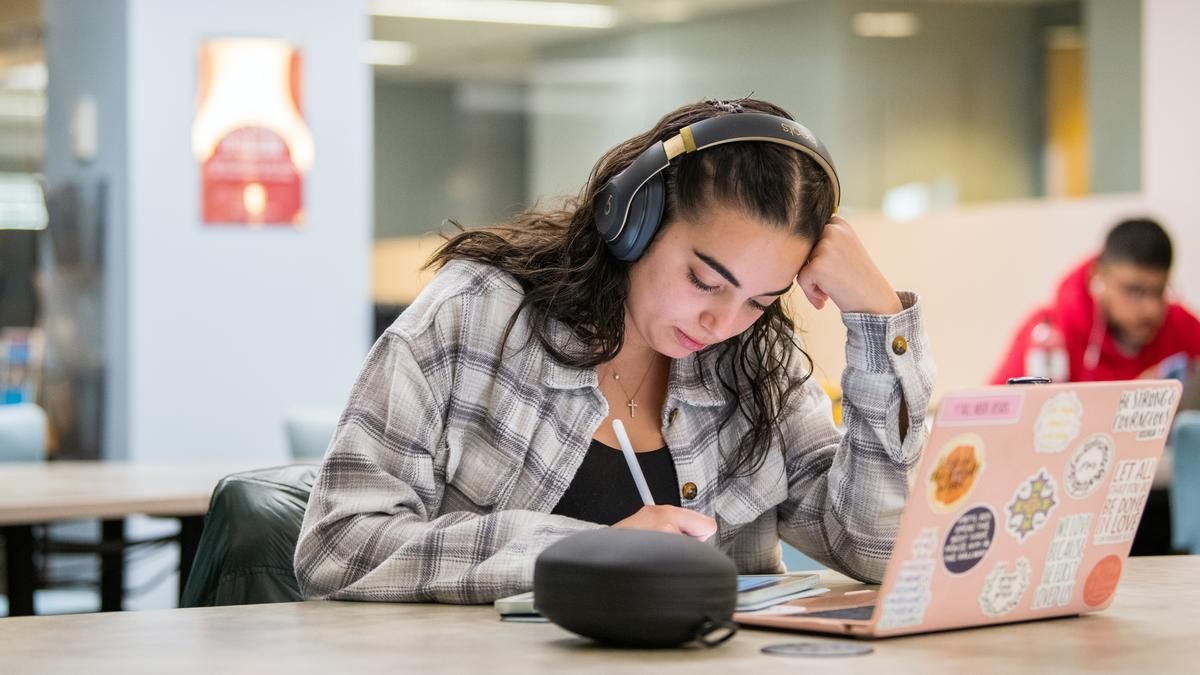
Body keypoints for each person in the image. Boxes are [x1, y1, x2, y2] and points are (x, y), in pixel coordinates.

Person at [294, 98, 934, 604]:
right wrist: (577, 552)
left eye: (759, 301)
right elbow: (338, 545)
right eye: (704, 281)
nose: (722, 321)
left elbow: (877, 549)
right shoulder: (476, 317)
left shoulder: (754, 363)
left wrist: (878, 324)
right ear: (632, 220)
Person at [990, 218, 1200, 385]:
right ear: (1098, 277)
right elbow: (1000, 418)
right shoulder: (1048, 333)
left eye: (1159, 291)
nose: (1152, 310)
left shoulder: (1183, 326)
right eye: (1135, 291)